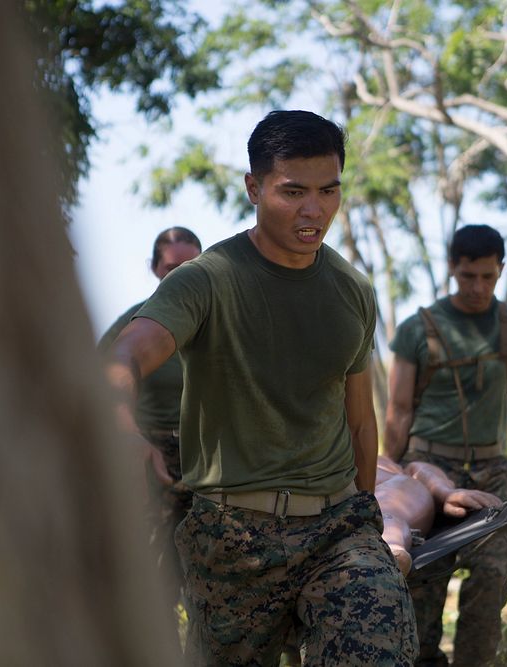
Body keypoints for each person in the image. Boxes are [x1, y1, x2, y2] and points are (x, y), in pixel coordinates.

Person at [104, 110, 418, 666]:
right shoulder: (206, 279)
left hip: (337, 527)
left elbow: (361, 419)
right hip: (233, 539)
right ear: (253, 187)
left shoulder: (352, 289)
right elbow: (127, 354)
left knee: (377, 651)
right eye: (293, 191)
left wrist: (366, 510)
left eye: (328, 190)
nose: (314, 209)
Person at [383, 224, 507, 666]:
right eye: (468, 276)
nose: (478, 287)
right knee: (424, 577)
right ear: (453, 268)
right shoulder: (419, 328)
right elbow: (398, 410)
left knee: (492, 575)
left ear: (501, 270)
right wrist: (387, 474)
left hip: (490, 472)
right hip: (426, 469)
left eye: (488, 277)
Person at [97, 226, 202, 638]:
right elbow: (102, 381)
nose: (181, 275)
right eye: (172, 267)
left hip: (210, 460)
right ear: (154, 269)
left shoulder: (219, 317)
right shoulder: (135, 324)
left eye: (191, 266)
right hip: (151, 459)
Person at [376, 455, 503, 576]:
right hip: (369, 500)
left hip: (395, 493)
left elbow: (420, 469)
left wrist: (444, 492)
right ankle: (383, 554)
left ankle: (388, 552)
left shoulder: (384, 464)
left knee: (387, 512)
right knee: (384, 512)